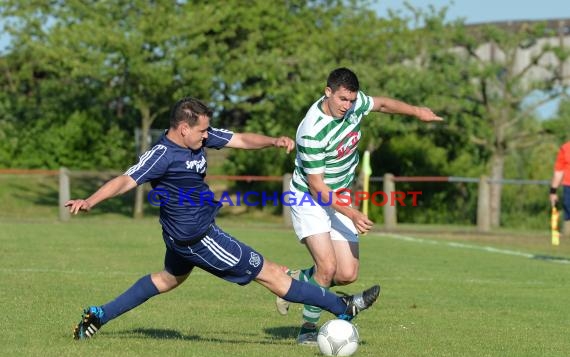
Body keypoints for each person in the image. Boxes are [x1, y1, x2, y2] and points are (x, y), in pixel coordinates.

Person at [67, 96, 380, 340]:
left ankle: (98, 315)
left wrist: (272, 141)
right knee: (272, 274)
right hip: (199, 238)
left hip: (182, 236)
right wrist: (90, 200)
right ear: (182, 128)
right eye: (202, 131)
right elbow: (126, 179)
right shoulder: (162, 155)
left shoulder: (198, 137)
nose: (207, 137)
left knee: (166, 279)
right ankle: (343, 307)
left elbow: (241, 139)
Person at [276, 67, 443, 345]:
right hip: (309, 197)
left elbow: (384, 104)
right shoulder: (311, 131)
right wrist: (352, 212)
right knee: (327, 267)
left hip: (339, 195)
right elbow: (317, 186)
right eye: (342, 99)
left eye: (351, 100)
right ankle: (308, 328)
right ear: (327, 92)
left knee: (347, 274)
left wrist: (417, 111)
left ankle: (295, 281)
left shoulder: (355, 105)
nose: (347, 106)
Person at [549, 141, 570, 236]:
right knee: (568, 207)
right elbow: (559, 171)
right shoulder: (565, 148)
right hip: (568, 186)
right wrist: (553, 191)